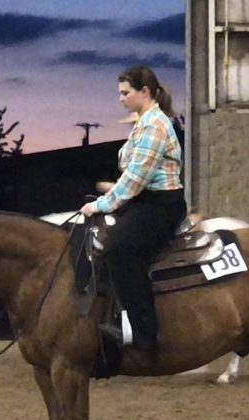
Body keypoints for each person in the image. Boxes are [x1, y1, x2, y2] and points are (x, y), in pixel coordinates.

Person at [79, 65, 186, 364]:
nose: (121, 99)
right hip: (144, 201)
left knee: (120, 250)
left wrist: (101, 204)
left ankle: (144, 336)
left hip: (160, 205)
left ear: (145, 92)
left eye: (125, 93)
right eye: (120, 93)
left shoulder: (154, 126)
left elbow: (136, 177)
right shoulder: (144, 124)